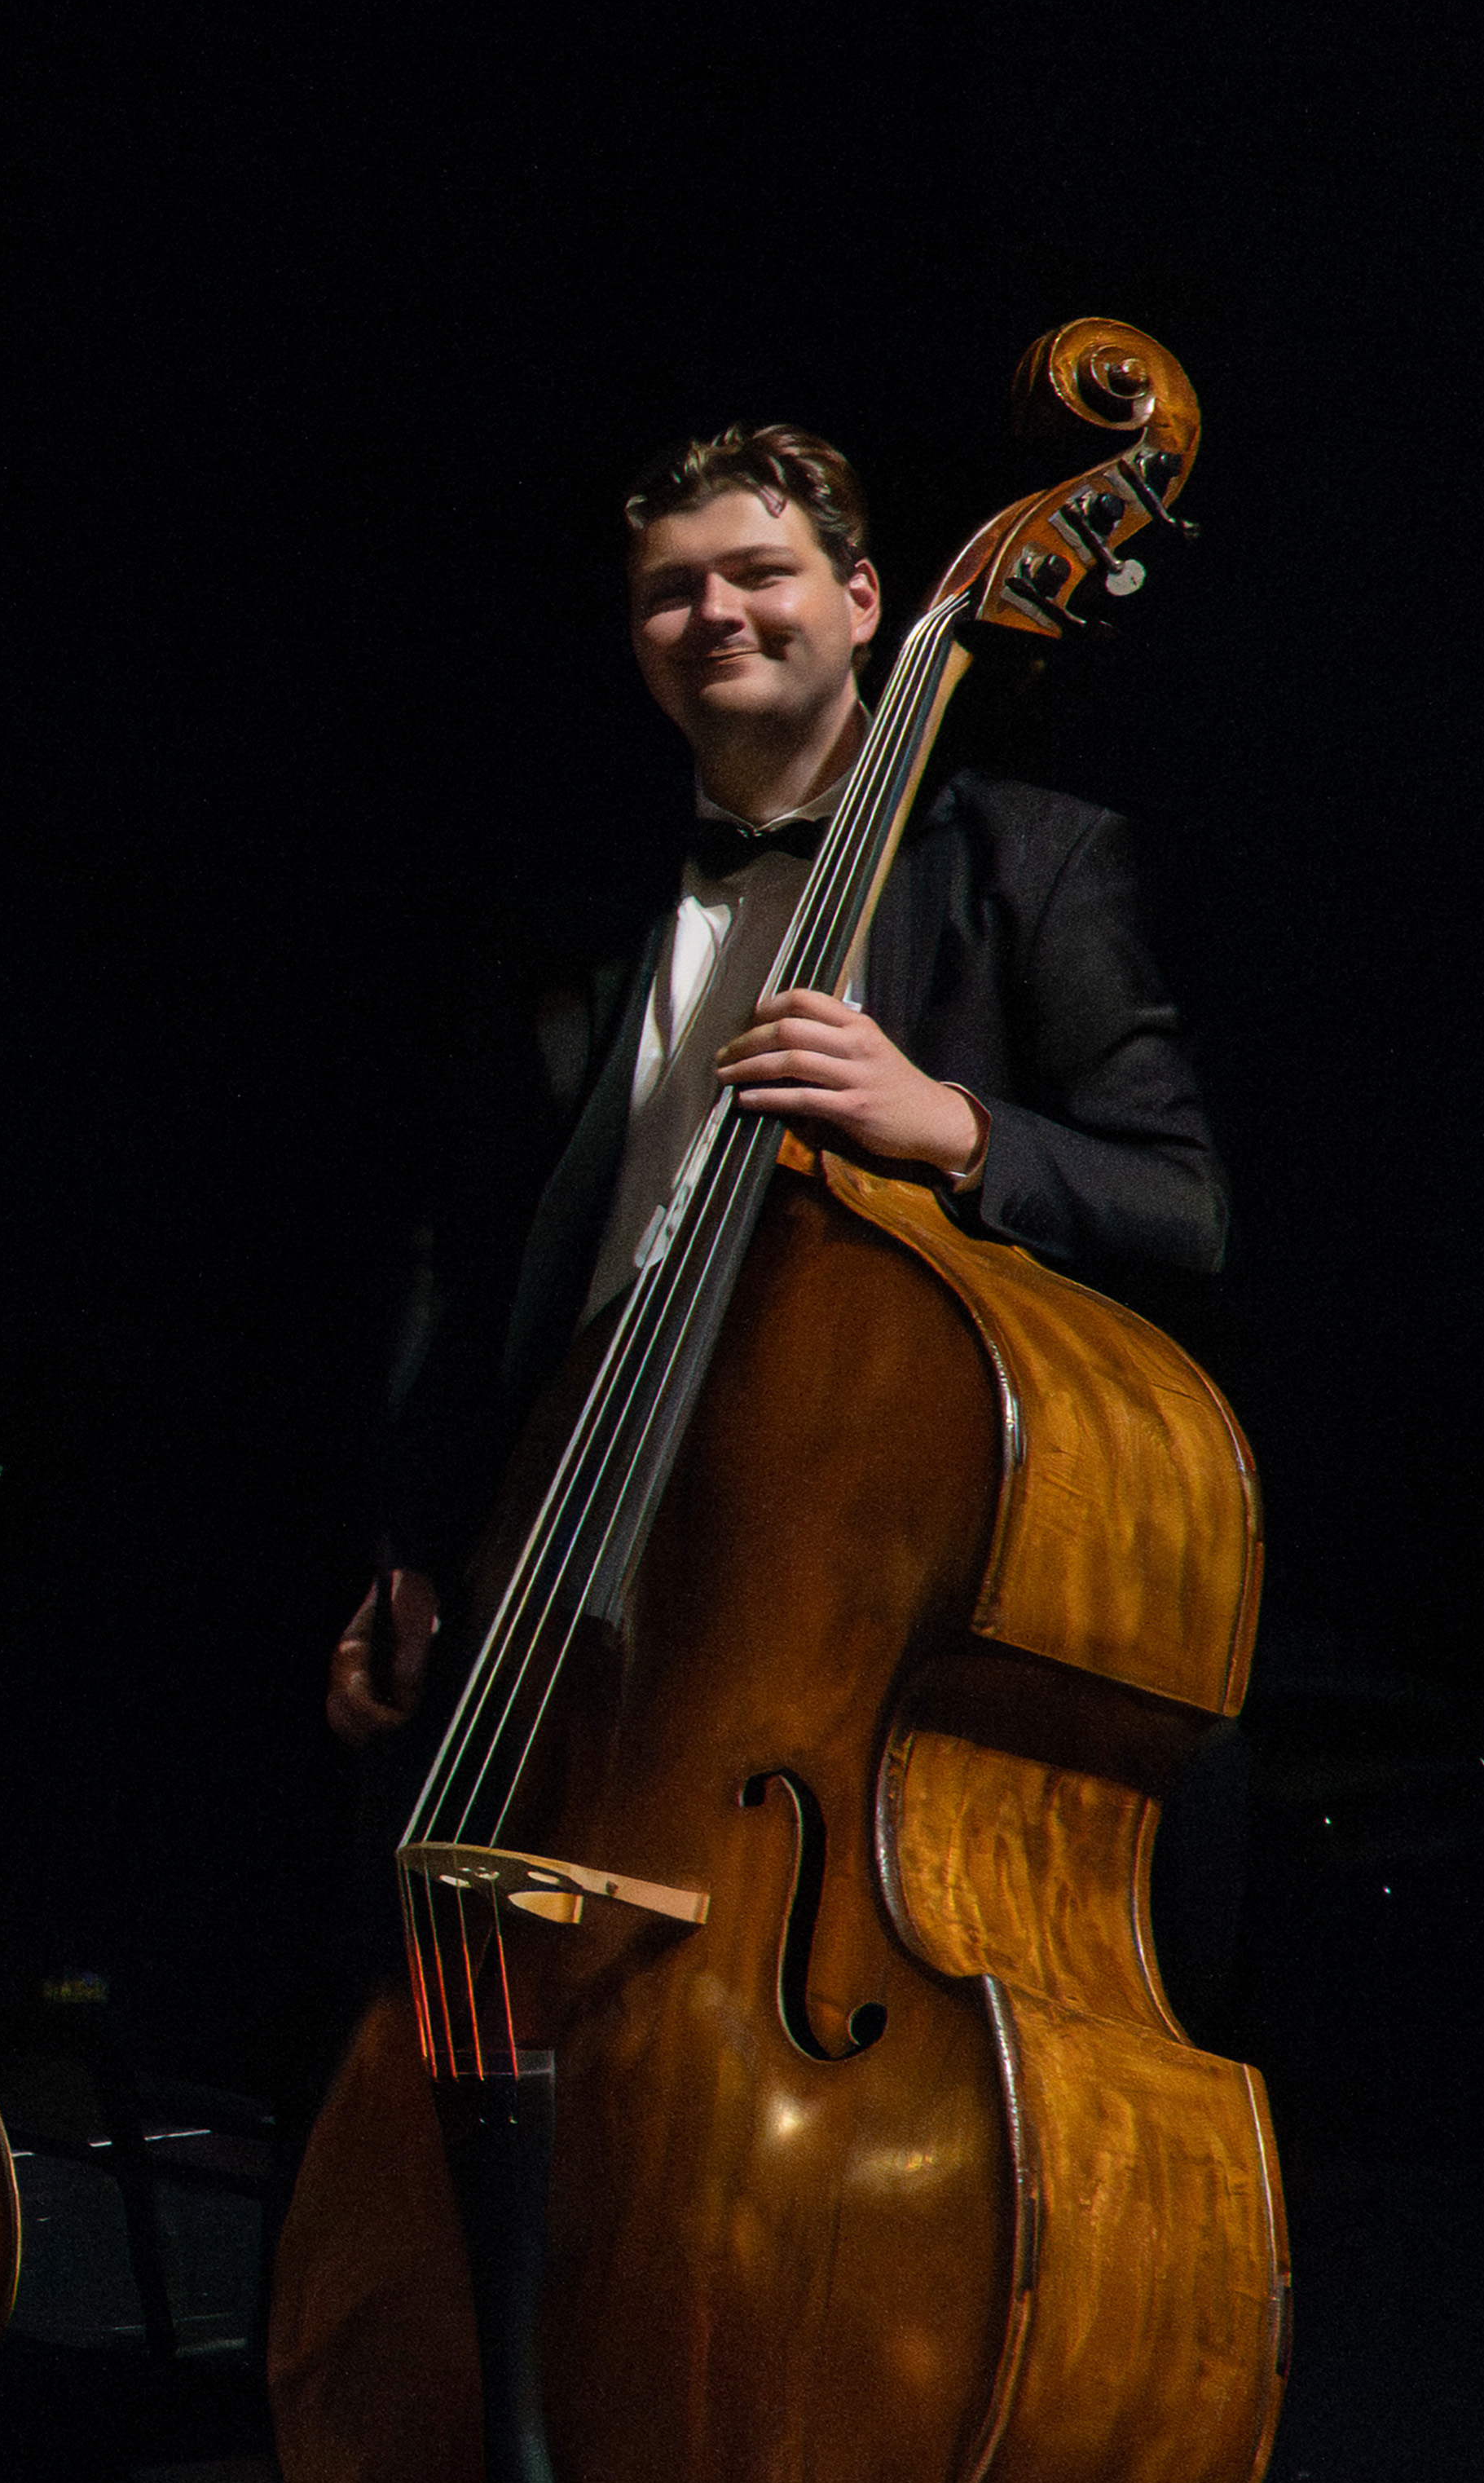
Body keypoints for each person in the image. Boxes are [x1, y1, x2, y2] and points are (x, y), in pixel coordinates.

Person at [327, 421, 1222, 1741]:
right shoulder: (573, 919)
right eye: (667, 591)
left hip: (857, 1577)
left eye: (757, 573)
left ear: (861, 599)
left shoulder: (1027, 860)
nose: (711, 614)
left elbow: (1179, 1204)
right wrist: (410, 1544)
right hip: (564, 1551)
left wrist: (953, 1128)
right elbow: (462, 1257)